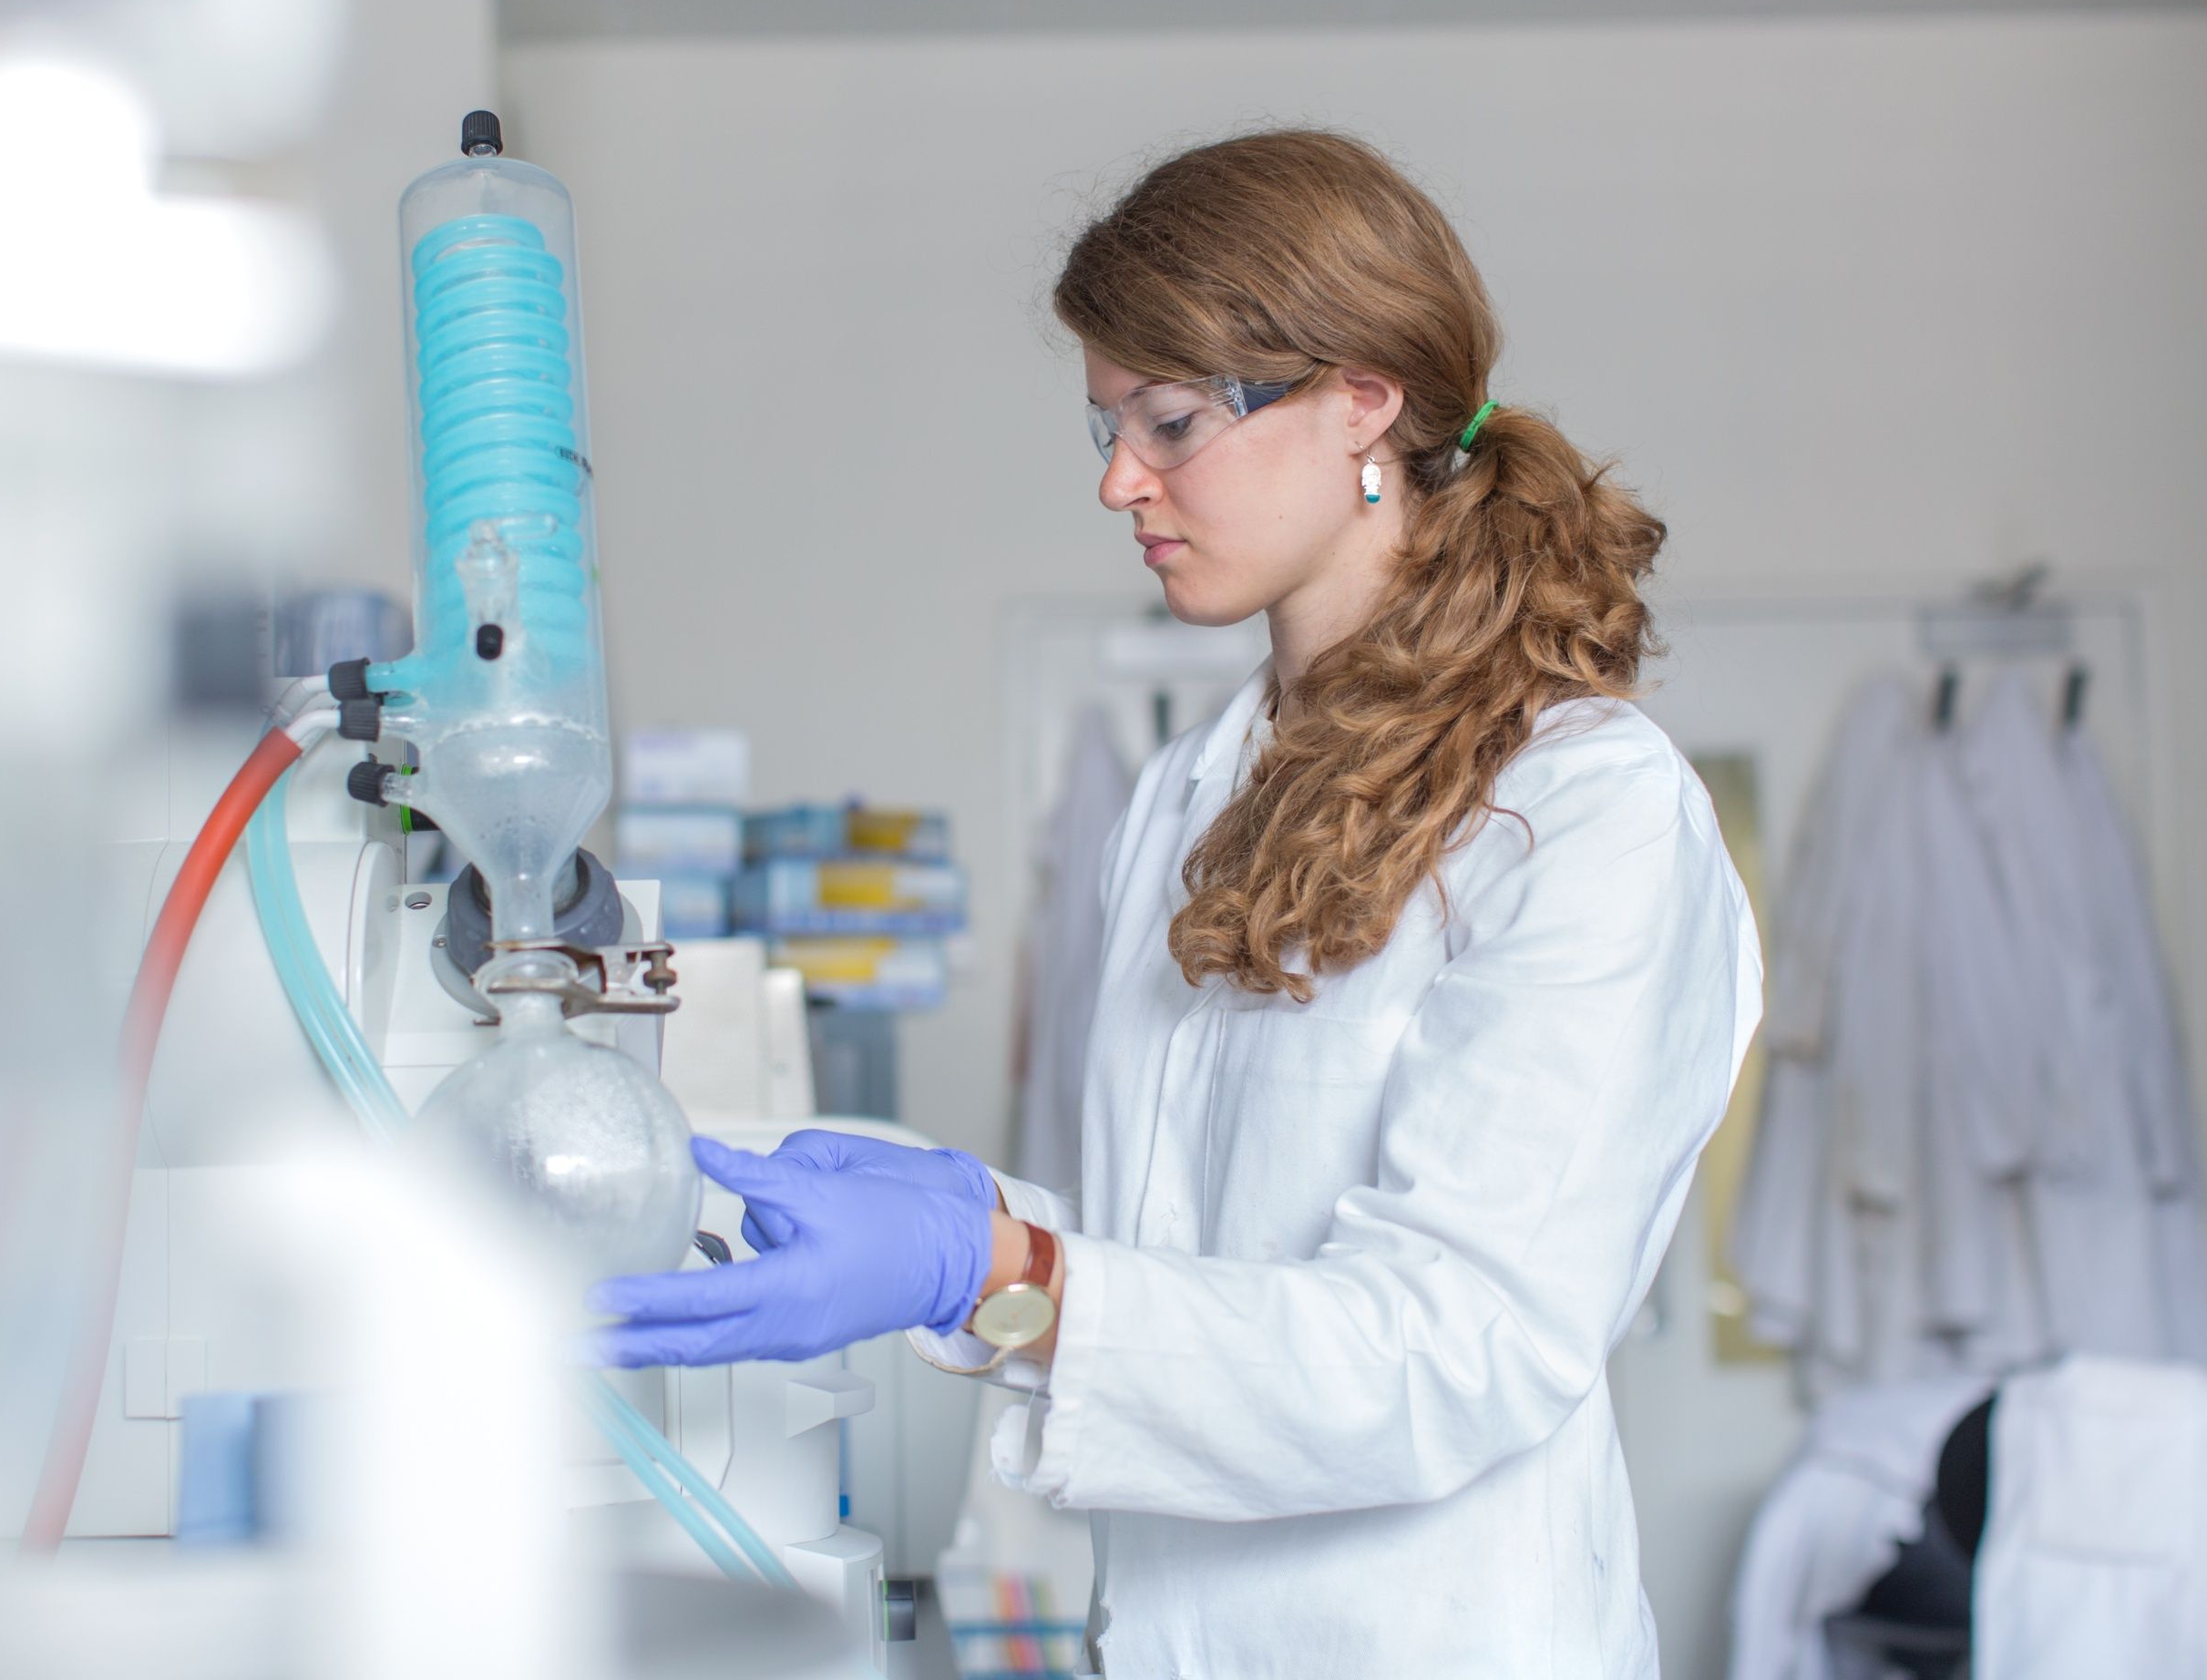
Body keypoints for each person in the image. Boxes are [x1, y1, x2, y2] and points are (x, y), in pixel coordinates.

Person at [590, 129, 1761, 1679]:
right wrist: (973, 1234)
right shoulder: (1193, 796)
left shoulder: (1587, 811)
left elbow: (1454, 1349)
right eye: (1104, 423)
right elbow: (1188, 1271)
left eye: (1171, 420)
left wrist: (998, 1278)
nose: (1116, 480)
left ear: (1363, 401)